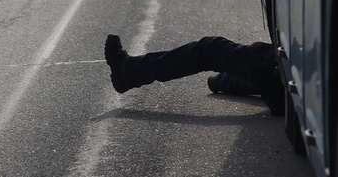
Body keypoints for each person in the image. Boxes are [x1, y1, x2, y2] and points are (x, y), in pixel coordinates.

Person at [103, 34, 284, 116]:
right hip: (280, 80)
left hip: (279, 75)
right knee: (258, 74)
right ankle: (221, 81)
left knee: (210, 49)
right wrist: (219, 82)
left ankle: (129, 71)